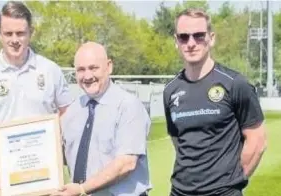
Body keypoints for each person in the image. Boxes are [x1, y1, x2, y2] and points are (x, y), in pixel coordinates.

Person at [0, 1, 74, 196]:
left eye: (20, 33)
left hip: (41, 181)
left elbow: (68, 116)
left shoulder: (50, 71)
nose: (14, 39)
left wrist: (57, 158)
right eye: (8, 33)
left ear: (31, 32)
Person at [163, 8, 267, 196]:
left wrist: (234, 182)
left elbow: (258, 141)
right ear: (176, 41)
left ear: (211, 38)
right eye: (184, 37)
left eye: (199, 36)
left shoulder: (235, 84)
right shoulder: (171, 90)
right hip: (180, 192)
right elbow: (178, 141)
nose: (191, 43)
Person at [53, 42, 152, 196]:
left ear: (109, 66)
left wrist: (82, 189)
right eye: (81, 70)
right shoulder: (72, 111)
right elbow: (63, 158)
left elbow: (126, 164)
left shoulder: (128, 106)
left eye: (93, 68)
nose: (87, 76)